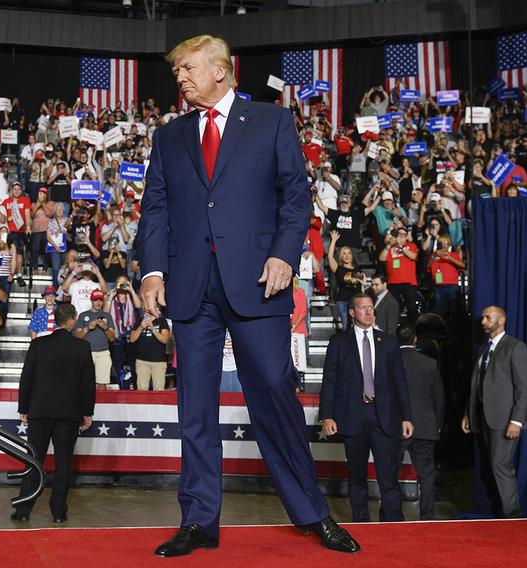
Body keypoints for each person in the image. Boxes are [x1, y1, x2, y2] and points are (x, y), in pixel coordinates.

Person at [139, 35, 358, 557]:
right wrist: (151, 273)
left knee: (275, 397)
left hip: (261, 282)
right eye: (176, 72)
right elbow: (155, 210)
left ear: (221, 70)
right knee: (195, 408)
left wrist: (285, 254)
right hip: (190, 289)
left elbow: (296, 196)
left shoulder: (271, 121)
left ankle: (312, 512)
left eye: (188, 68)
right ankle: (198, 520)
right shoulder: (168, 138)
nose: (180, 78)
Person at [320, 293, 414, 523]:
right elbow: (329, 380)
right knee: (357, 477)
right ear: (352, 312)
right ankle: (361, 523)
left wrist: (406, 417)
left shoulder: (389, 341)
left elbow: (399, 381)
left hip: (384, 416)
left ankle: (392, 523)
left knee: (388, 476)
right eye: (363, 308)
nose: (369, 312)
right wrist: (326, 416)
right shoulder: (338, 342)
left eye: (371, 308)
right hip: (353, 416)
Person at [12, 303, 95, 524]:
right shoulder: (82, 347)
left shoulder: (38, 344)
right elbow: (88, 384)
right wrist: (88, 412)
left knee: (34, 461)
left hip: (40, 410)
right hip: (69, 413)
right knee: (63, 464)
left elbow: (26, 378)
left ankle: (22, 510)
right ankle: (59, 513)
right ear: (71, 321)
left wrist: (23, 408)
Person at [461, 306, 527, 518]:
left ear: (501, 321)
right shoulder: (484, 349)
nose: (483, 321)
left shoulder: (515, 347)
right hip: (484, 418)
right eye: (482, 317)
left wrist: (516, 421)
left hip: (504, 420)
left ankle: (513, 516)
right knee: (491, 468)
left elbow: (524, 387)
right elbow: (476, 384)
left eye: (487, 317)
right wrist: (468, 413)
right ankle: (501, 515)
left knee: (501, 466)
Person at [397, 323, 444, 520]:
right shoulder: (430, 364)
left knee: (390, 474)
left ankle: (392, 515)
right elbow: (439, 398)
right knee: (426, 474)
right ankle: (427, 516)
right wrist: (438, 424)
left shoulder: (389, 362)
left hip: (396, 427)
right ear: (415, 340)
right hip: (425, 426)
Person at [73, 290, 116, 389]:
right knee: (86, 383)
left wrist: (105, 328)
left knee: (102, 384)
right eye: (96, 300)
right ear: (91, 301)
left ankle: (102, 404)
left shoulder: (107, 316)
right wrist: (87, 328)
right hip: (87, 353)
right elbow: (77, 337)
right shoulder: (83, 315)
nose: (98, 302)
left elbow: (112, 338)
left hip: (103, 353)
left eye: (100, 300)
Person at [129, 313, 171, 391]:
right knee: (141, 391)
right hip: (142, 362)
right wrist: (141, 327)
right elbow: (132, 339)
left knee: (159, 390)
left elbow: (164, 340)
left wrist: (152, 328)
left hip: (158, 362)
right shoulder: (139, 321)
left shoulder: (162, 321)